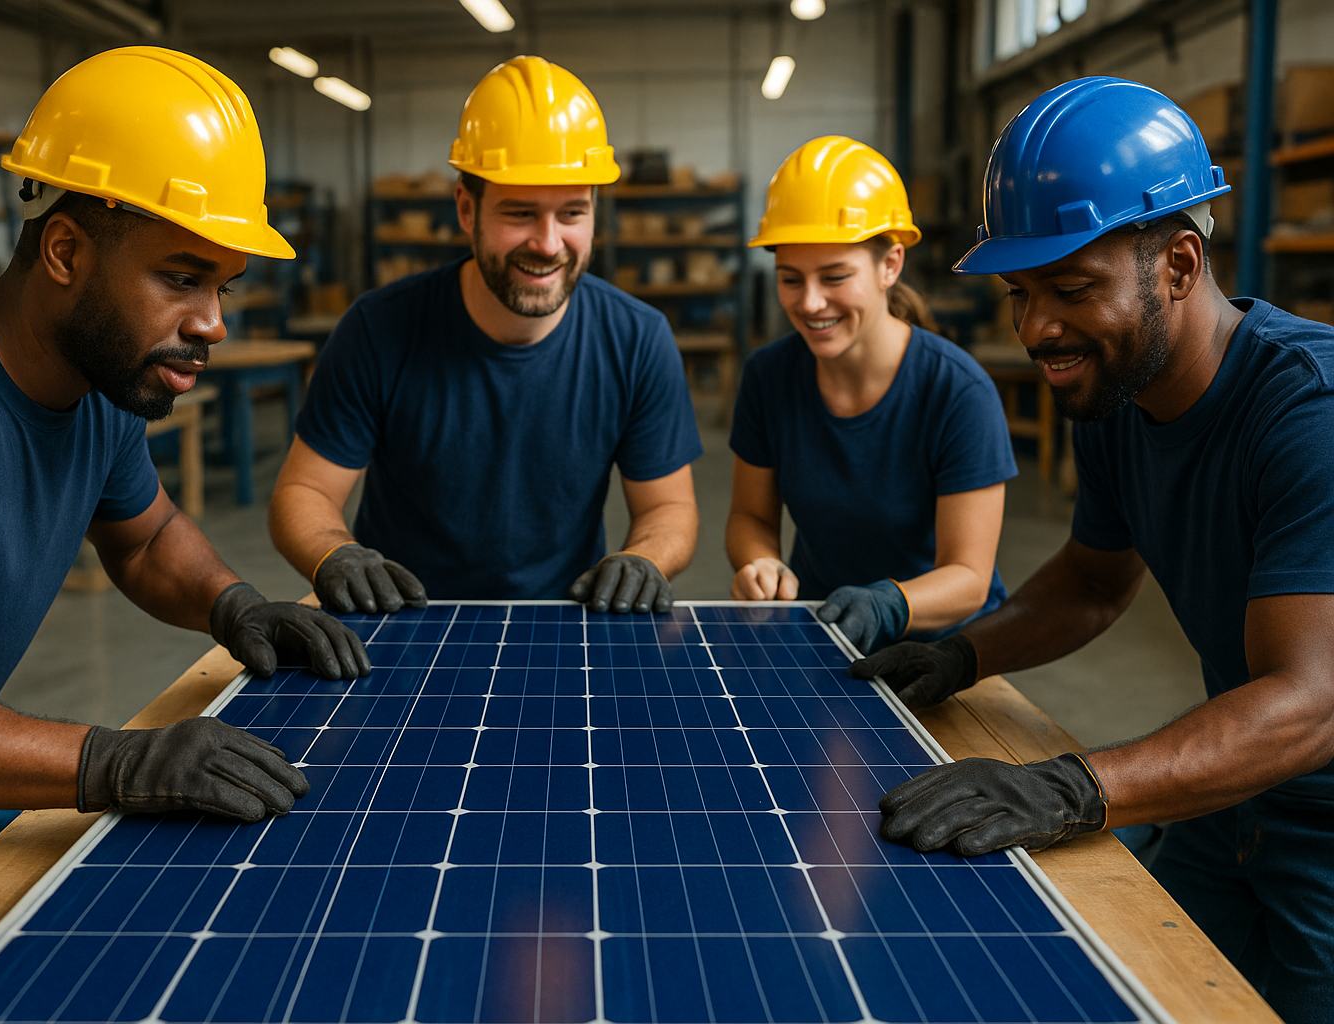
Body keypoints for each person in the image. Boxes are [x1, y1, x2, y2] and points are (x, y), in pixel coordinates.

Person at [0, 47, 371, 1002]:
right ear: (64, 252)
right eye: (182, 277)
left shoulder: (99, 383)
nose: (213, 322)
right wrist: (117, 760)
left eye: (223, 287)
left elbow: (144, 538)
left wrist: (234, 606)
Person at [855, 77, 1334, 1023]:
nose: (1036, 329)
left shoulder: (1307, 414)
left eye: (1071, 289)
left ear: (1180, 265)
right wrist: (960, 655)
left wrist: (1072, 789)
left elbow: (1310, 703)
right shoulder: (1119, 390)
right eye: (1020, 293)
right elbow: (1092, 580)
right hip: (1233, 796)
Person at [270, 56, 702, 617]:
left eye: (572, 213)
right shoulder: (378, 330)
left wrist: (646, 558)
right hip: (403, 627)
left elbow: (669, 507)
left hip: (563, 627)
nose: (549, 243)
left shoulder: (637, 340)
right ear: (466, 209)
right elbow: (304, 492)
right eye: (520, 213)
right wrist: (335, 553)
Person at [727, 137, 1016, 654]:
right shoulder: (768, 377)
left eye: (835, 277)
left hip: (942, 653)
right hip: (822, 633)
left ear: (891, 265)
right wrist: (761, 562)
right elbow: (751, 516)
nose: (810, 302)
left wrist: (889, 605)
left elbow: (969, 577)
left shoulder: (957, 392)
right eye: (790, 279)